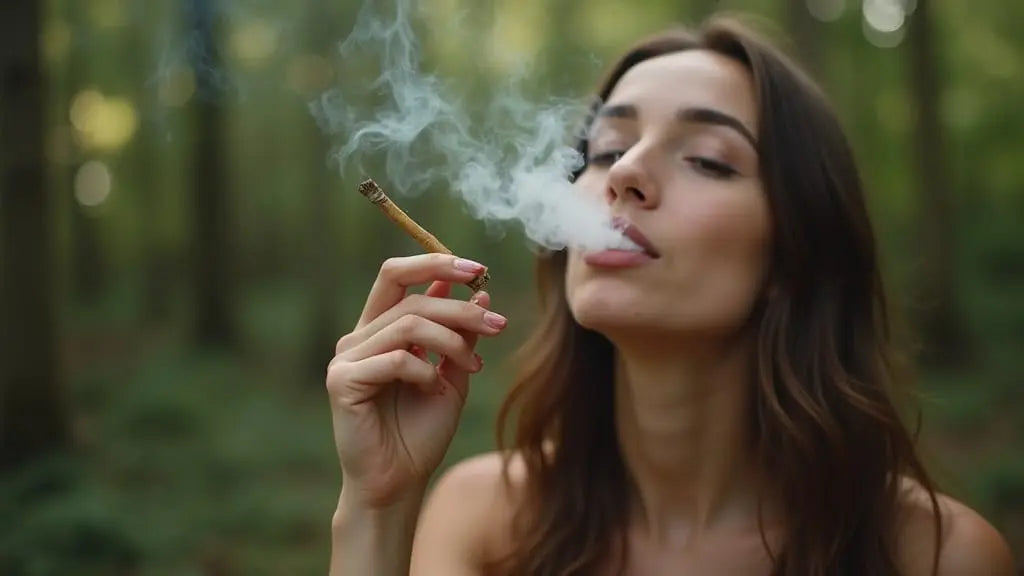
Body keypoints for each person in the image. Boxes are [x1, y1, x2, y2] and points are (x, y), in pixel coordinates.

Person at [325, 15, 1017, 576]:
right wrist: (378, 506)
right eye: (603, 150)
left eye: (707, 159)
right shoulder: (480, 520)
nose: (623, 172)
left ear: (795, 252)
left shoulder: (938, 557)